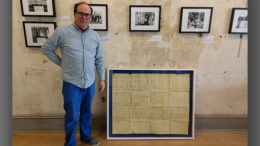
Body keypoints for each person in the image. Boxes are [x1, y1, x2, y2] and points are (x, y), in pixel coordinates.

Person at [42, 2, 105, 146]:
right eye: (81, 13)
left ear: (90, 16)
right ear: (75, 14)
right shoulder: (62, 33)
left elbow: (99, 58)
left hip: (89, 82)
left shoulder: (95, 36)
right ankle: (70, 143)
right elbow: (46, 48)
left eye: (87, 14)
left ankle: (85, 136)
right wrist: (61, 63)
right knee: (72, 115)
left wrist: (102, 79)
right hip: (72, 83)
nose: (84, 17)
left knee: (87, 113)